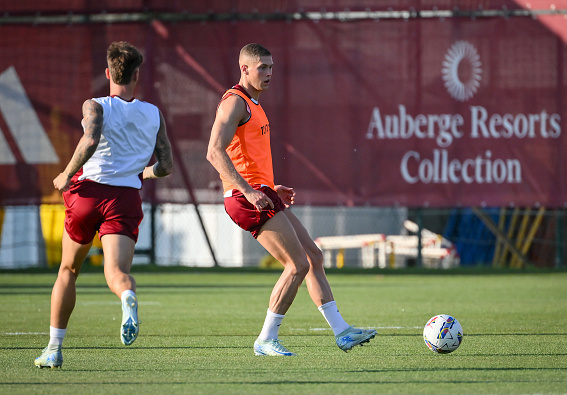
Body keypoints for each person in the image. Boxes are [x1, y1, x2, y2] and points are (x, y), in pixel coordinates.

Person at [206, 43, 376, 356]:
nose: (269, 73)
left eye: (271, 67)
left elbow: (246, 157)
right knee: (296, 264)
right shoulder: (235, 103)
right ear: (244, 69)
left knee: (313, 256)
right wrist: (249, 190)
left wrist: (270, 187)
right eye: (262, 68)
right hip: (244, 198)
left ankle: (342, 332)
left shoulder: (254, 104)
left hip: (261, 192)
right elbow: (214, 151)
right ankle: (265, 339)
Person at [35, 41, 173, 369]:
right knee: (117, 272)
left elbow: (90, 139)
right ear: (137, 75)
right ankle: (127, 297)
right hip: (124, 198)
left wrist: (66, 174)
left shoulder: (95, 106)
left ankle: (54, 349)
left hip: (88, 195)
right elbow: (166, 166)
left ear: (109, 73)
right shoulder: (153, 113)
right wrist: (145, 172)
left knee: (68, 270)